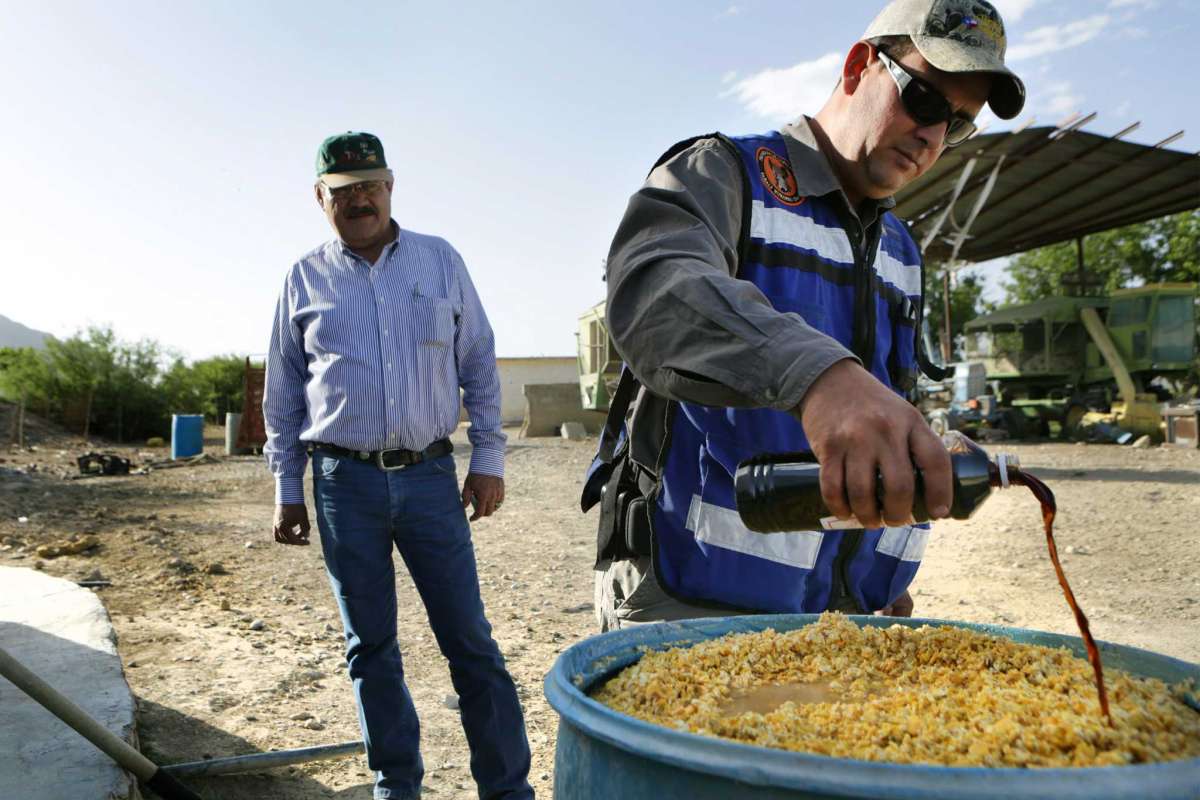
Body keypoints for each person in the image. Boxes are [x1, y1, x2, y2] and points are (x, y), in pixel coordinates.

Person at [587, 0, 1025, 630]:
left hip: (838, 612)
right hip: (692, 605)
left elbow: (880, 410)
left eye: (956, 126)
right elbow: (655, 294)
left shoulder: (901, 250)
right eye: (925, 100)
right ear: (857, 67)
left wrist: (872, 570)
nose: (932, 136)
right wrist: (822, 379)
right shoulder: (724, 173)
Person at [263, 131, 533, 800]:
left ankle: (508, 791)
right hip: (340, 483)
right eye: (343, 191)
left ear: (391, 187)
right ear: (320, 198)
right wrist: (285, 487)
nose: (359, 201)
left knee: (470, 641)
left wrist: (489, 457)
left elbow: (478, 363)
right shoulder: (304, 277)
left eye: (370, 187)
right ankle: (396, 788)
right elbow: (284, 393)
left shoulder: (440, 262)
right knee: (371, 649)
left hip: (429, 478)